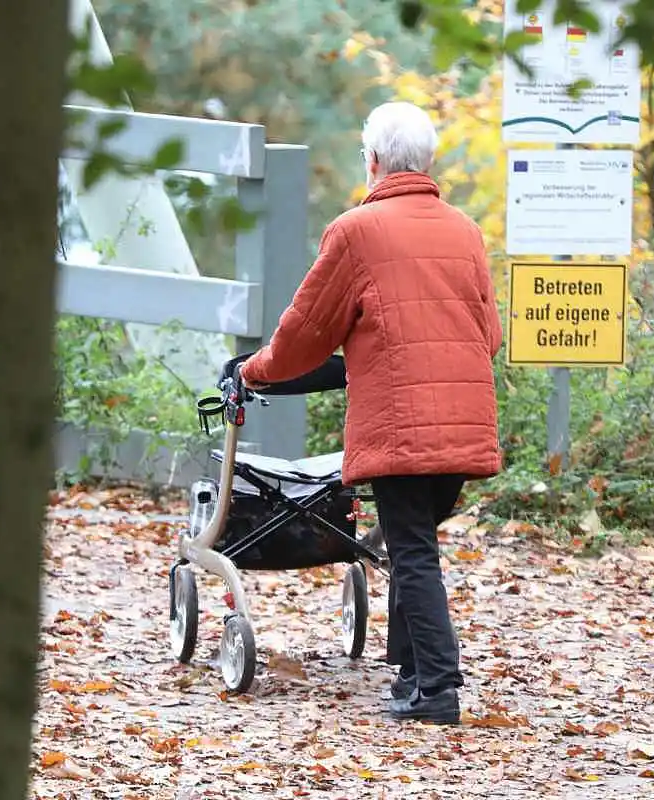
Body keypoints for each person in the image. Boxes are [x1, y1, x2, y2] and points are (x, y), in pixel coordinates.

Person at [238, 101, 502, 725]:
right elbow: (487, 336)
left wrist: (252, 370)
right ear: (427, 161)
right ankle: (412, 673)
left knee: (410, 549)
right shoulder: (465, 231)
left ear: (374, 162)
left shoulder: (356, 231)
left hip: (402, 422)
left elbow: (304, 336)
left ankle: (437, 688)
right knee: (416, 541)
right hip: (465, 420)